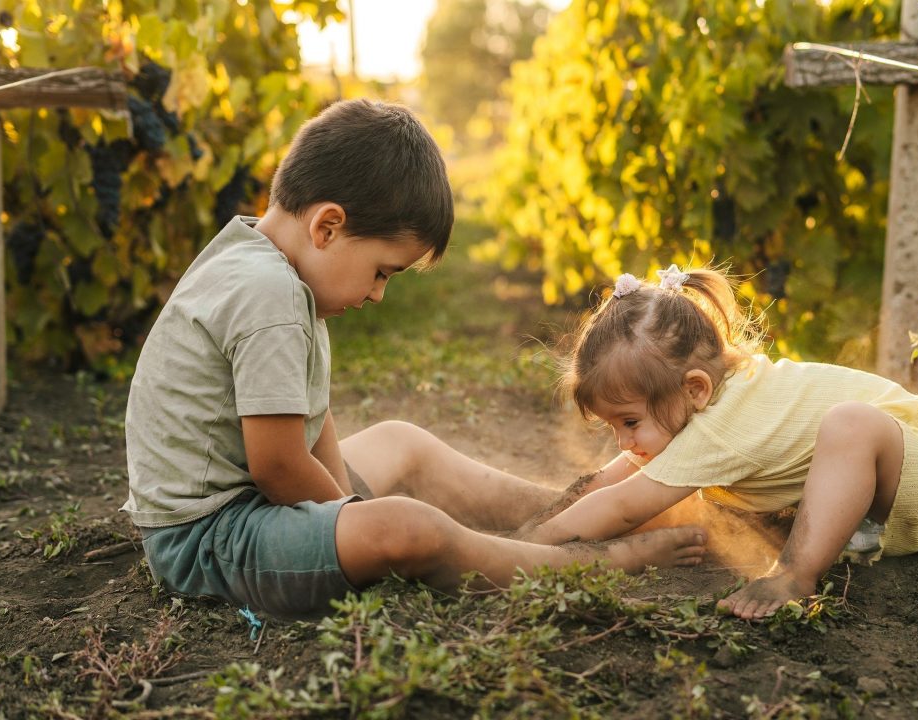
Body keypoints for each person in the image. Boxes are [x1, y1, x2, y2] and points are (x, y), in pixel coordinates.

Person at [120, 100, 707, 620]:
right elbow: (276, 466)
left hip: (245, 503)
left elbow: (310, 418)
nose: (378, 293)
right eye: (381, 272)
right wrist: (349, 519)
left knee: (404, 443)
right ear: (328, 226)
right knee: (407, 527)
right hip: (209, 539)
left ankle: (575, 517)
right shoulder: (268, 294)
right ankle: (593, 562)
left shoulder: (266, 264)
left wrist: (342, 511)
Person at [517, 264, 918, 620]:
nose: (624, 440)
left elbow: (623, 506)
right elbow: (613, 479)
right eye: (612, 425)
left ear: (695, 388)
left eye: (630, 421)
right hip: (902, 469)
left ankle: (794, 575)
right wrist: (553, 514)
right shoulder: (702, 398)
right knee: (842, 430)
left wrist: (534, 542)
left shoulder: (722, 425)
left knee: (849, 424)